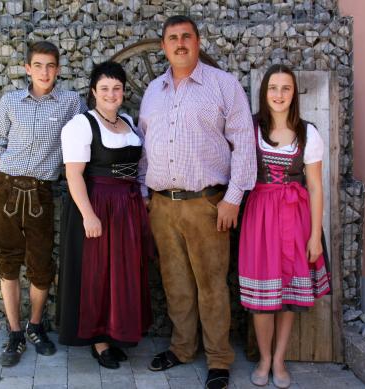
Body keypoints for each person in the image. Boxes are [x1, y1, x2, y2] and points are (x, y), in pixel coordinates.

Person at [138, 15, 257, 389]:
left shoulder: (223, 85)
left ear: (198, 41)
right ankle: (182, 348)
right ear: (164, 46)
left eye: (186, 36)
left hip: (207, 205)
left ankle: (219, 358)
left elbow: (243, 143)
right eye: (172, 38)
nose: (180, 43)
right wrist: (144, 193)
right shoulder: (153, 91)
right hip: (162, 205)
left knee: (211, 286)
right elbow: (144, 145)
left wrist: (233, 198)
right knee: (175, 284)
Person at [0, 41, 86, 367]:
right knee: (8, 262)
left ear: (57, 69)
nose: (44, 71)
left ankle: (35, 325)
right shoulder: (11, 102)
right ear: (28, 68)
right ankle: (14, 333)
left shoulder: (70, 103)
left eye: (50, 65)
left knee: (41, 266)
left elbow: (87, 135)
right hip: (6, 189)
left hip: (41, 193)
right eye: (38, 65)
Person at [238, 64, 331, 388]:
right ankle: (264, 358)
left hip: (296, 218)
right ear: (265, 93)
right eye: (273, 88)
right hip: (259, 218)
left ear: (294, 93)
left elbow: (316, 186)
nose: (279, 94)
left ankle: (279, 360)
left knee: (288, 295)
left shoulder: (309, 133)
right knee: (263, 297)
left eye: (286, 88)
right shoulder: (250, 129)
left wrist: (315, 235)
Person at [57, 61, 153, 369]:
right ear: (93, 92)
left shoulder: (127, 120)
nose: (111, 94)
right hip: (98, 204)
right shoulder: (81, 125)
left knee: (121, 271)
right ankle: (98, 341)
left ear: (123, 91)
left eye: (117, 88)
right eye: (104, 89)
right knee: (97, 272)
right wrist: (88, 215)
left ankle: (116, 331)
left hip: (127, 206)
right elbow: (73, 175)